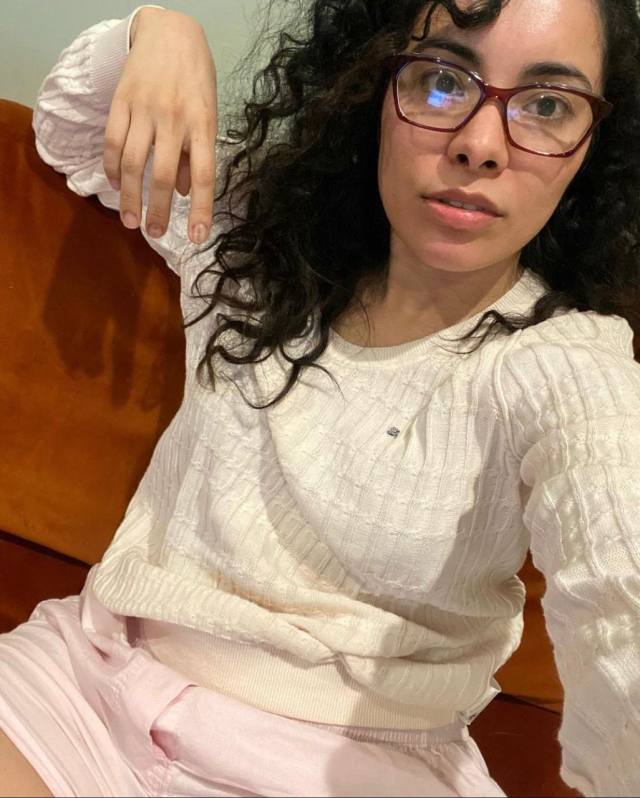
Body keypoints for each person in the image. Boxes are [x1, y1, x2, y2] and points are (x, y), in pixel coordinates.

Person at [1, 0, 639, 795]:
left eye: (547, 105)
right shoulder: (255, 236)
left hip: (353, 765)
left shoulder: (565, 362)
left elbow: (621, 600)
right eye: (443, 79)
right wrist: (153, 32)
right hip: (85, 689)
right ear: (374, 83)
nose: (480, 144)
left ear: (594, 146)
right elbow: (69, 132)